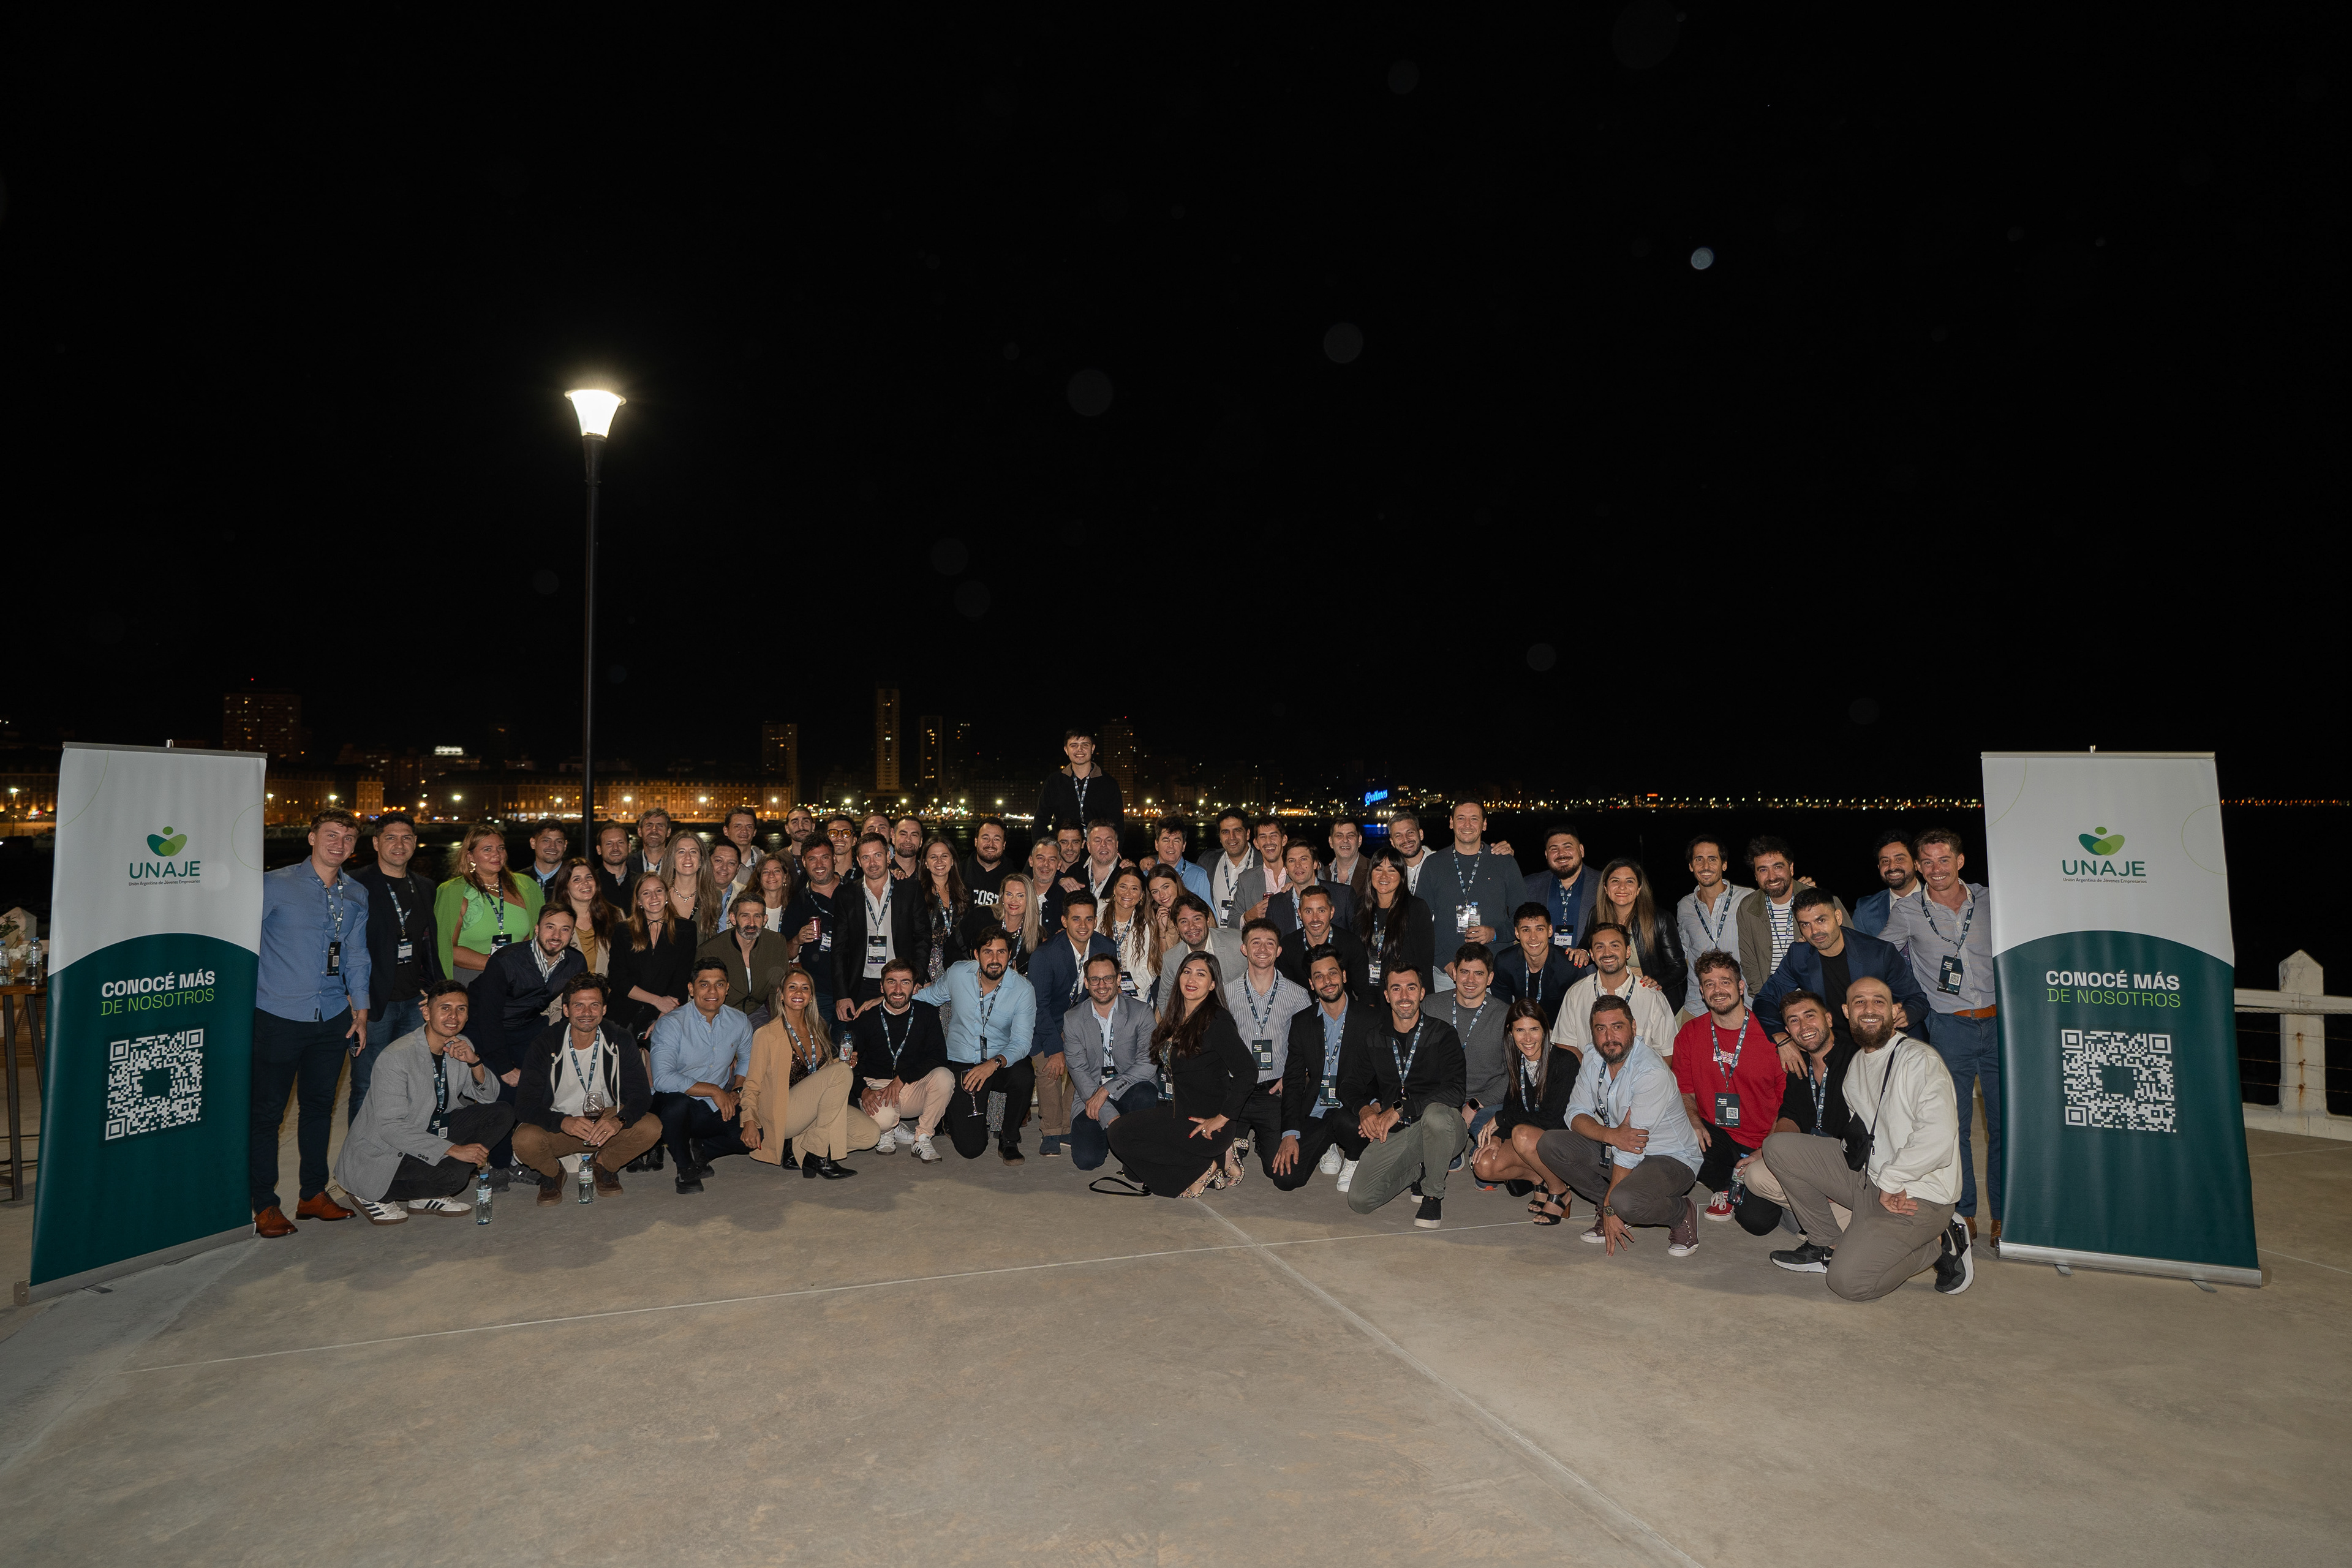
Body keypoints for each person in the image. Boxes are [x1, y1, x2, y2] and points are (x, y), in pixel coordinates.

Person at [1760, 976, 1972, 1298]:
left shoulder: (1920, 1060)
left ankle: (1940, 1243)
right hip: (1870, 1179)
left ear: (1895, 1011)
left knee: (1847, 1283)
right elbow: (1859, 1137)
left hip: (1918, 1194)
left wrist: (1892, 1179)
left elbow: (1938, 1137)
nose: (1869, 1009)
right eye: (1860, 1002)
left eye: (1878, 1002)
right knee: (1778, 1147)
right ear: (1846, 1012)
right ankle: (1826, 1243)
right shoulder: (1858, 1065)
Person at [251, 808, 372, 1236]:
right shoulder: (273, 885)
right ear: (312, 837)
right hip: (278, 1015)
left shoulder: (356, 893)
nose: (340, 843)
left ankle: (313, 1195)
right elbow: (243, 946)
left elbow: (356, 955)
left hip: (333, 1015)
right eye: (332, 834)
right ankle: (264, 1203)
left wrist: (361, 1011)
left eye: (348, 838)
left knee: (319, 1108)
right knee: (267, 1115)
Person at [1876, 827, 2001, 1244]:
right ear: (1917, 866)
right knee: (1954, 1127)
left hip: (2000, 1026)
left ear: (1960, 861)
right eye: (1927, 862)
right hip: (1950, 1028)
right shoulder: (1908, 911)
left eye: (1944, 860)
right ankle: (1964, 1212)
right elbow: (1879, 958)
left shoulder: (1991, 899)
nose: (1936, 869)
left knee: (2004, 1125)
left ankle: (2005, 1213)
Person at [1532, 995, 1703, 1255]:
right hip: (1619, 1145)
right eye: (1601, 1028)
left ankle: (1681, 1212)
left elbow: (1632, 1146)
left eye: (1617, 1026)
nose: (1609, 1037)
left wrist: (1613, 1208)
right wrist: (1610, 1135)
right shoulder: (1593, 1057)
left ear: (1633, 1027)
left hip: (1670, 1158)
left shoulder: (1650, 1072)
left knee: (1626, 1202)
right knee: (1551, 1144)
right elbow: (1574, 1113)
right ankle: (1610, 1204)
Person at [335, 979, 510, 1224]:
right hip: (384, 1152)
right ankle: (369, 1193)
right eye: (445, 1008)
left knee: (502, 1113)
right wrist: (454, 1150)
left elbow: (488, 1097)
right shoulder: (396, 1057)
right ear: (427, 1013)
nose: (454, 1016)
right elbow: (391, 1128)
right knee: (454, 1178)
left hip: (427, 1131)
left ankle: (423, 1196)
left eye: (461, 1009)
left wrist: (475, 1062)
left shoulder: (461, 1045)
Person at [1105, 952, 1256, 1196]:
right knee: (1130, 1162)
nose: (1191, 979)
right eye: (1187, 972)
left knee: (1123, 1140)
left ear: (1213, 984)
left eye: (1201, 974)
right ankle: (1220, 1158)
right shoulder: (1175, 1016)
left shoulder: (1217, 1020)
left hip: (1206, 1123)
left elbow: (1247, 1072)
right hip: (1178, 1111)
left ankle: (1207, 1164)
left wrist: (1222, 1119)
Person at [509, 973, 663, 1202]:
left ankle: (603, 1164)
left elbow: (641, 1095)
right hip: (561, 1125)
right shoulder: (545, 1043)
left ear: (604, 1009)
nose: (587, 1012)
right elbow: (524, 1105)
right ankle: (553, 1173)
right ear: (566, 1010)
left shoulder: (620, 1040)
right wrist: (563, 1122)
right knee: (523, 1141)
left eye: (594, 1005)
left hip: (604, 1123)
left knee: (651, 1127)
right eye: (579, 1005)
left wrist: (618, 1121)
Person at [1338, 966, 1467, 1227]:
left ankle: (1433, 1194)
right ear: (1387, 995)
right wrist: (1364, 1110)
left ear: (1422, 993)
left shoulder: (1443, 1034)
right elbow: (1349, 1085)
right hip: (1400, 1133)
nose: (1404, 996)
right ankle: (1417, 1171)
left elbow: (1455, 1091)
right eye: (1396, 989)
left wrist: (1399, 1109)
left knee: (1435, 1115)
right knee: (1360, 1200)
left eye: (1411, 988)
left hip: (1444, 1129)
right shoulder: (1375, 1037)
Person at [466, 902, 587, 1182]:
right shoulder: (506, 960)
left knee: (542, 1084)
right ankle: (499, 1166)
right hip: (484, 1026)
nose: (556, 935)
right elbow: (489, 1018)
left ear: (571, 935)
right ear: (536, 929)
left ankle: (529, 1153)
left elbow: (573, 1005)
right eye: (550, 927)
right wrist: (505, 1067)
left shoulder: (575, 962)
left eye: (565, 929)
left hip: (527, 1025)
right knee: (505, 1093)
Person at [1672, 951, 1787, 1234]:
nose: (1718, 990)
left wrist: (1767, 1150)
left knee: (1757, 1223)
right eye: (1709, 984)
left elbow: (1788, 1106)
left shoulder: (1772, 1037)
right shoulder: (1690, 1033)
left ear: (1741, 986)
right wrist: (1694, 1122)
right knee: (1678, 1134)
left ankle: (1749, 1182)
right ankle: (1727, 1186)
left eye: (1725, 982)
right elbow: (1684, 1091)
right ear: (1701, 992)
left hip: (1764, 1140)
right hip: (1717, 1136)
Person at [1754, 887, 1930, 1059]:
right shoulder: (1798, 956)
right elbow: (1765, 999)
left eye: (1821, 920)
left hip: (1888, 1043)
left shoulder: (1878, 953)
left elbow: (1917, 999)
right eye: (1806, 925)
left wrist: (1906, 1015)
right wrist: (1781, 1037)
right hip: (1839, 1047)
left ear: (1838, 917)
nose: (1815, 932)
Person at [913, 929, 1041, 1164]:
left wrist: (994, 1063)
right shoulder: (958, 974)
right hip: (960, 1063)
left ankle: (1009, 1138)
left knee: (1024, 1074)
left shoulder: (1023, 990)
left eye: (1001, 952)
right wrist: (888, 1000)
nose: (995, 959)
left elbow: (1022, 1043)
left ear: (1010, 955)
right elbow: (929, 997)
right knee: (972, 1149)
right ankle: (952, 1116)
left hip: (997, 1064)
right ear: (976, 954)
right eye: (988, 952)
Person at [1736, 989, 1854, 1237]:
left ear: (1829, 1019)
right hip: (1813, 1164)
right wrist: (1771, 1151)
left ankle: (1829, 1222)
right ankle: (1826, 1221)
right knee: (1755, 1175)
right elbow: (1790, 1115)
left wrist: (1832, 1183)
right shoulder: (1798, 1065)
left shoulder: (1855, 1059)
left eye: (1810, 1016)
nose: (1804, 1026)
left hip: (1852, 1167)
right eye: (1794, 1020)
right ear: (1788, 1031)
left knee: (1858, 1232)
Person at [349, 812, 441, 1125]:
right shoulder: (355, 883)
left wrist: (433, 989)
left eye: (406, 838)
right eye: (391, 838)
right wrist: (351, 995)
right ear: (376, 843)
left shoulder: (426, 886)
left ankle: (400, 1147)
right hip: (373, 1002)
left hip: (415, 1001)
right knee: (366, 1085)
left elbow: (429, 943)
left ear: (415, 843)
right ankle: (360, 1153)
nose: (399, 845)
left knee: (410, 1084)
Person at [740, 965, 869, 1180]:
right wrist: (749, 1121)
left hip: (811, 1110)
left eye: (805, 988)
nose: (799, 992)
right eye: (792, 987)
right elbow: (752, 1083)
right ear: (781, 994)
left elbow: (821, 1071)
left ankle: (799, 1148)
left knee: (869, 1135)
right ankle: (818, 1155)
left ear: (811, 997)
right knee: (840, 1073)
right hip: (783, 1113)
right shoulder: (766, 1034)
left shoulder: (817, 1028)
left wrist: (843, 1063)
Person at [649, 957, 757, 1193]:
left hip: (714, 1106)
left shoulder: (739, 1021)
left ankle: (702, 1149)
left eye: (719, 984)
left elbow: (748, 1058)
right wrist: (714, 1090)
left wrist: (737, 1088)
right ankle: (685, 1167)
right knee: (677, 1106)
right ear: (691, 988)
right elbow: (663, 1079)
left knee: (754, 1135)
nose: (712, 992)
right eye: (704, 984)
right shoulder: (671, 1024)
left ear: (727, 989)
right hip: (674, 1103)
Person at [1269, 948, 1371, 1191]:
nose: (1327, 981)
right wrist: (1289, 1133)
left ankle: (1354, 1157)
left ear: (1344, 976)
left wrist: (1373, 1106)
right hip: (1317, 1110)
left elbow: (1380, 1075)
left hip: (1352, 1110)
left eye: (1332, 973)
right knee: (1285, 1180)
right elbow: (1294, 1080)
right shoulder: (1302, 1022)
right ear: (1311, 983)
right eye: (1319, 976)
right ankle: (1328, 1145)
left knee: (1347, 1123)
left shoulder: (1370, 1019)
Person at [1026, 890, 1115, 1154]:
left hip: (1082, 1023)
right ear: (1064, 921)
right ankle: (1051, 1131)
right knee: (1050, 1068)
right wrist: (1055, 1048)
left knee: (1084, 1066)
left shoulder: (1106, 948)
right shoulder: (1045, 954)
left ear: (1096, 920)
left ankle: (1068, 1125)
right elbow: (1039, 1007)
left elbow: (1106, 992)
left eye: (1089, 919)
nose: (1083, 926)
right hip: (1046, 1023)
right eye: (1076, 919)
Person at [1472, 1001, 1581, 1215]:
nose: (1528, 1038)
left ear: (1545, 1030)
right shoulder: (1518, 1060)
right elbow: (1513, 1105)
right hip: (1532, 1139)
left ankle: (1559, 1191)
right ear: (1510, 1033)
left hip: (1563, 1142)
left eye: (1534, 1029)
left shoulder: (1565, 1061)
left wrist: (1502, 1119)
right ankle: (1539, 1178)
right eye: (1520, 1030)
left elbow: (1552, 1120)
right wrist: (1498, 1137)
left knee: (1521, 1134)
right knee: (1483, 1165)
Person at [1225, 918, 1313, 1175]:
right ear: (1244, 949)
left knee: (1280, 1172)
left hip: (1274, 1091)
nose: (1263, 949)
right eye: (1256, 943)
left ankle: (1262, 1142)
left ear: (1279, 951)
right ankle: (1238, 1141)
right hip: (1236, 1090)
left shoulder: (1297, 995)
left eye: (1270, 943)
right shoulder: (1226, 994)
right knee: (1217, 1164)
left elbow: (1311, 1047)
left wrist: (1293, 1077)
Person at [1411, 801, 1527, 993]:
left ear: (1484, 824)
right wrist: (1444, 962)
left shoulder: (1505, 863)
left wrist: (1495, 934)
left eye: (1474, 819)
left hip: (1495, 973)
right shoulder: (1433, 865)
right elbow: (1419, 922)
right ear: (1451, 823)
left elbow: (1522, 916)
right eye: (1461, 818)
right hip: (1447, 974)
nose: (1467, 825)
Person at [848, 958, 954, 1162]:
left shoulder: (927, 1014)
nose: (898, 989)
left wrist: (902, 1078)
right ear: (882, 987)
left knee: (944, 1077)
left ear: (915, 988)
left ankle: (922, 1138)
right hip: (877, 1086)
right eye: (891, 982)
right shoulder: (866, 1018)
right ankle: (889, 1129)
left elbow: (939, 1056)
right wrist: (863, 1091)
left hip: (912, 1085)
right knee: (883, 1120)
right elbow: (847, 1062)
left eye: (905, 982)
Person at [1064, 952, 1160, 1171]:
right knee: (1087, 1161)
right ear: (1086, 983)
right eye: (1095, 979)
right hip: (1090, 1096)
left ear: (1118, 980)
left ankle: (1134, 1146)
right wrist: (1110, 1118)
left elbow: (1148, 1064)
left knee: (1146, 1091)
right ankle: (1120, 1134)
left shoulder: (1141, 1012)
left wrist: (1106, 1090)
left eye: (1108, 978)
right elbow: (1078, 1072)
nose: (1102, 985)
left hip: (1131, 1090)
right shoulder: (1073, 1019)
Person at [434, 824, 542, 986]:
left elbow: (536, 935)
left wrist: (519, 964)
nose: (497, 854)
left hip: (519, 977)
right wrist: (500, 965)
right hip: (471, 979)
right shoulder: (453, 892)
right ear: (470, 856)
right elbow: (446, 948)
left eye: (501, 848)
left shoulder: (527, 887)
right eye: (487, 850)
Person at [1738, 837, 1845, 995]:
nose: (1772, 877)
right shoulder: (1748, 908)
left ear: (1791, 868)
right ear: (1755, 875)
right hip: (1772, 995)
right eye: (1763, 870)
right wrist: (1764, 998)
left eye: (1778, 867)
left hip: (1819, 995)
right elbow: (1749, 963)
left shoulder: (1823, 902)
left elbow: (1852, 950)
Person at [1551, 924, 1677, 1060]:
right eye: (1600, 947)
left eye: (1615, 946)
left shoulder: (1651, 997)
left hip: (1641, 1074)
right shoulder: (1576, 994)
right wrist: (1588, 1070)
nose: (1607, 953)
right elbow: (1565, 1043)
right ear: (1592, 954)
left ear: (1628, 951)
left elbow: (1667, 1053)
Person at [1431, 941, 1509, 1161]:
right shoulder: (1431, 1007)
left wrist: (1475, 1104)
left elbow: (1513, 1074)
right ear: (1454, 973)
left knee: (1487, 1162)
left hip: (1488, 1101)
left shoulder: (1506, 1016)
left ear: (1490, 978)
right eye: (1465, 972)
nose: (1470, 980)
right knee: (1440, 1157)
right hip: (1441, 1100)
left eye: (1479, 973)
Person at [831, 834, 922, 1020]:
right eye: (866, 857)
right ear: (859, 861)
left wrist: (917, 979)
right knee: (861, 1037)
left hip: (901, 982)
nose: (872, 863)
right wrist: (842, 994)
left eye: (878, 855)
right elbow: (839, 947)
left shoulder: (910, 889)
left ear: (888, 857)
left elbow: (923, 937)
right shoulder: (846, 894)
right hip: (861, 984)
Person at [1591, 859, 1689, 1014]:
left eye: (1629, 881)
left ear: (1639, 889)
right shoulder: (1596, 915)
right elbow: (1587, 947)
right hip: (1614, 1001)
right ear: (1605, 887)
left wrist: (1658, 982)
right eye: (1615, 881)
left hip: (1656, 1002)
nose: (1622, 887)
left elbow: (1679, 968)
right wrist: (1581, 952)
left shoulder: (1660, 919)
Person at [607, 873, 694, 1044]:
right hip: (625, 1008)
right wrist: (657, 1001)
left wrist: (663, 1016)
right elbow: (618, 979)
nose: (654, 897)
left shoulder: (686, 930)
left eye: (659, 891)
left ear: (667, 896)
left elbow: (682, 979)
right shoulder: (623, 930)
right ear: (639, 901)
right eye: (646, 893)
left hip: (665, 1011)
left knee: (659, 1040)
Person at [1675, 836, 1750, 1002]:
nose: (1706, 866)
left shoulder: (1747, 899)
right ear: (1691, 866)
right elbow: (1683, 951)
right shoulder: (1685, 906)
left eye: (1712, 859)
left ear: (1724, 864)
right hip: (1699, 1001)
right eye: (1699, 859)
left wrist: (1800, 891)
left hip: (1744, 1000)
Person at [699, 889, 795, 1018]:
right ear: (733, 918)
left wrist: (778, 1024)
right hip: (721, 1013)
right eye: (745, 916)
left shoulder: (776, 944)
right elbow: (704, 995)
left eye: (757, 916)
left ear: (765, 919)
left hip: (756, 1012)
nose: (751, 923)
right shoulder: (712, 950)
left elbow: (777, 991)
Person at [1355, 847, 1435, 997]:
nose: (1384, 876)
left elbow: (1425, 962)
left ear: (1402, 875)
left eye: (1391, 870)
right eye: (1378, 869)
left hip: (1404, 995)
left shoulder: (1416, 908)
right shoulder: (1361, 908)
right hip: (1370, 994)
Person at [782, 838, 846, 1017]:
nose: (819, 865)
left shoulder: (854, 891)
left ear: (834, 858)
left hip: (852, 987)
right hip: (818, 991)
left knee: (850, 1036)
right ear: (804, 862)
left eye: (824, 857)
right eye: (812, 859)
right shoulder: (798, 902)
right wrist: (797, 940)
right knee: (817, 1036)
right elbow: (787, 953)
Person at [1490, 902, 1578, 1030]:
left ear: (1550, 931)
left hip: (1560, 1032)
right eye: (1526, 930)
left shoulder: (1569, 966)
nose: (1533, 937)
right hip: (1521, 1030)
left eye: (1539, 929)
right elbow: (1502, 1009)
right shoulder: (1505, 962)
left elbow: (1580, 1013)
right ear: (1517, 933)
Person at [1276, 885, 1371, 1000]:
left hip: (1344, 1010)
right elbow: (1285, 994)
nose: (1315, 918)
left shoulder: (1351, 944)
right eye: (1308, 911)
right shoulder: (1288, 946)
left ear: (1332, 912)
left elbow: (1367, 995)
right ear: (1300, 913)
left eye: (1321, 911)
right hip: (1303, 1010)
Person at [1156, 893, 1244, 1006]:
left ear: (1207, 920)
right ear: (1177, 928)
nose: (1192, 927)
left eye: (1197, 919)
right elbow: (1165, 1000)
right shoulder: (1171, 959)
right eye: (1184, 922)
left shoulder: (1238, 943)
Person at [1035, 726, 1123, 834]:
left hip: (1097, 843)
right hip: (1063, 842)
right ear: (1066, 750)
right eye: (1074, 745)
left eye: (1085, 745)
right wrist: (1042, 844)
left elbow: (1117, 824)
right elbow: (1041, 821)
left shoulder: (1108, 783)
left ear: (1093, 748)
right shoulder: (1054, 782)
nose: (1080, 749)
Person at [1535, 825, 1599, 967]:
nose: (1561, 854)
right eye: (1554, 849)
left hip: (1589, 971)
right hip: (1545, 971)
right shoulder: (1530, 886)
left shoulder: (1603, 885)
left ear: (1581, 850)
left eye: (1568, 847)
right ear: (1546, 855)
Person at [1267, 840, 1356, 936]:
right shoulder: (1275, 904)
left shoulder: (1343, 895)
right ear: (1286, 869)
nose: (1298, 865)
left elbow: (1357, 937)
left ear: (1315, 864)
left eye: (1303, 859)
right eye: (1292, 861)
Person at [1101, 866, 1160, 1003]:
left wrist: (1122, 990)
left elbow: (1150, 969)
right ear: (1114, 889)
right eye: (1123, 887)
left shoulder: (1149, 923)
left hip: (1134, 998)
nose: (1127, 893)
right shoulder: (1098, 912)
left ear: (1142, 895)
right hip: (1100, 991)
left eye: (1134, 889)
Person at [915, 838, 971, 981]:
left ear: (952, 860)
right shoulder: (916, 893)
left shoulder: (966, 892)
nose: (939, 861)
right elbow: (912, 938)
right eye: (933, 857)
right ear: (926, 863)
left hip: (960, 967)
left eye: (944, 856)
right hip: (927, 968)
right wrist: (922, 977)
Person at [551, 859, 618, 974]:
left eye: (589, 877)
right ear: (565, 886)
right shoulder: (553, 920)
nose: (585, 883)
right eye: (577, 879)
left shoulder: (616, 915)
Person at [1197, 809, 1261, 928]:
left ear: (1247, 834)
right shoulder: (1208, 861)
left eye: (1237, 831)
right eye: (1226, 832)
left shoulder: (1263, 863)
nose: (1232, 837)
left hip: (1252, 937)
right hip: (1218, 937)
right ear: (1220, 837)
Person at [1851, 829, 1919, 938]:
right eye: (1885, 861)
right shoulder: (1865, 910)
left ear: (1916, 864)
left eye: (1899, 859)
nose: (1892, 866)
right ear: (1879, 867)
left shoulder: (1938, 900)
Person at [971, 871, 1042, 973]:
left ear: (1029, 900)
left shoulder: (1037, 936)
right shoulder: (983, 916)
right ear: (1002, 897)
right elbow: (955, 946)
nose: (1013, 901)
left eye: (1020, 896)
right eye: (1009, 894)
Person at [663, 832, 723, 937]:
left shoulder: (713, 896)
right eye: (681, 852)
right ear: (672, 860)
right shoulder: (660, 895)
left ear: (701, 861)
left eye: (693, 852)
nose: (688, 857)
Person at [1153, 818, 1213, 903]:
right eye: (1166, 840)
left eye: (1176, 841)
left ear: (1184, 846)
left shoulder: (1198, 876)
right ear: (1157, 844)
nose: (1171, 845)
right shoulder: (1147, 873)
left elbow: (1209, 911)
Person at [1026, 837, 1069, 941]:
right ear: (1031, 861)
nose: (1046, 864)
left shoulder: (1066, 902)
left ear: (1059, 865)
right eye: (1040, 858)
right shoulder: (1018, 894)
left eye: (1052, 860)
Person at [963, 817, 1012, 909]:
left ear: (1004, 845)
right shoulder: (957, 873)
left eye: (996, 839)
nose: (991, 844)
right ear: (976, 841)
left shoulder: (1014, 879)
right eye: (986, 838)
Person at [1325, 816, 1373, 903]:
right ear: (1331, 842)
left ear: (1359, 841)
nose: (1345, 840)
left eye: (1351, 835)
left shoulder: (1374, 870)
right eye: (1339, 836)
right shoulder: (1322, 875)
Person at [1387, 811, 1433, 892]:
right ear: (1392, 842)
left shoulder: (1442, 864)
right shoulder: (1390, 873)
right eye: (1399, 836)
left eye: (1410, 833)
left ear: (1421, 834)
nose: (1406, 840)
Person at [592, 822, 636, 906]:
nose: (615, 848)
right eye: (609, 843)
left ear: (629, 847)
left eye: (620, 842)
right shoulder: (591, 884)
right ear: (599, 850)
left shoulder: (641, 883)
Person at [524, 819, 569, 895]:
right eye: (546, 841)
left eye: (559, 842)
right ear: (533, 843)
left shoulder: (574, 880)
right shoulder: (518, 881)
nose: (553, 846)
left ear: (565, 845)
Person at [720, 808, 764, 881]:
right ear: (726, 831)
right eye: (738, 826)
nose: (744, 831)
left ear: (754, 832)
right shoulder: (714, 865)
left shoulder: (764, 863)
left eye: (749, 827)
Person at [710, 842, 744, 922]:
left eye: (731, 863)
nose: (724, 867)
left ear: (738, 869)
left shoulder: (745, 893)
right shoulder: (691, 892)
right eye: (718, 861)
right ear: (707, 862)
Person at [633, 809, 674, 876]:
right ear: (640, 832)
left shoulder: (677, 863)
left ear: (668, 832)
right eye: (649, 825)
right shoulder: (627, 864)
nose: (654, 830)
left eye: (660, 826)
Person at [891, 815, 926, 881]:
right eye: (903, 834)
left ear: (921, 841)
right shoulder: (883, 874)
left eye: (914, 835)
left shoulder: (929, 876)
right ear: (893, 838)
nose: (908, 839)